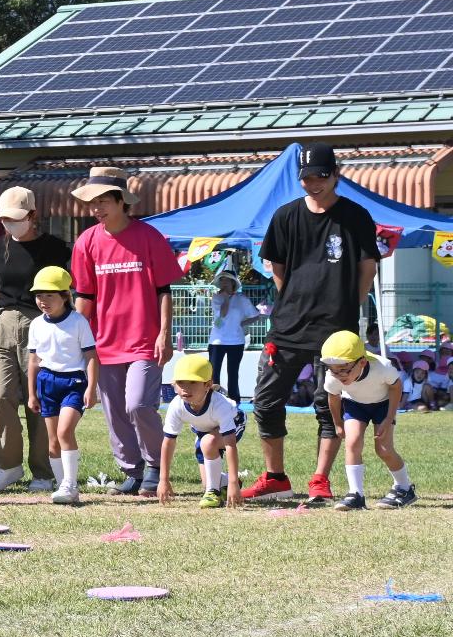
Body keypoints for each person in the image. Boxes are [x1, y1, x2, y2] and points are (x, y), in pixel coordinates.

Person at [243, 144, 381, 507]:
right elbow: (277, 268)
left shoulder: (356, 216)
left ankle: (320, 479)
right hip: (287, 326)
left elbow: (368, 266)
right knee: (266, 400)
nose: (313, 183)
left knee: (328, 404)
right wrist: (294, 300)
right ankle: (275, 479)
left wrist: (349, 304)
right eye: (306, 177)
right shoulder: (286, 216)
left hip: (337, 331)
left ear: (336, 174)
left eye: (320, 176)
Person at [70, 165, 181, 496]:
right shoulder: (86, 241)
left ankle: (156, 465)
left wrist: (164, 333)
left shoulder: (148, 237)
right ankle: (132, 472)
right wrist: (76, 337)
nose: (97, 208)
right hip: (103, 342)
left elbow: (164, 290)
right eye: (93, 202)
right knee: (115, 412)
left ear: (121, 201)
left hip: (145, 342)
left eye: (104, 200)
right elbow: (85, 296)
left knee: (137, 405)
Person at [0, 185, 67, 494]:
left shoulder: (55, 248)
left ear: (32, 215)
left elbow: (67, 291)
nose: (9, 224)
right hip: (2, 323)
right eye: (4, 219)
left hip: (40, 324)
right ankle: (7, 464)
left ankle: (43, 471)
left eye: (16, 218)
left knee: (38, 399)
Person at [25, 267, 100, 506]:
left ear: (65, 296)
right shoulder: (36, 324)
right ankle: (62, 486)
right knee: (53, 441)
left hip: (73, 383)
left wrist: (91, 387)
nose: (43, 301)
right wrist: (32, 394)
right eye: (39, 295)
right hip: (46, 383)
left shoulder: (78, 321)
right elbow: (34, 361)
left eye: (49, 295)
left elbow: (90, 356)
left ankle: (70, 484)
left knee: (64, 432)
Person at [319, 330, 416, 510]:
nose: (340, 376)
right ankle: (356, 494)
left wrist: (388, 418)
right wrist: (338, 423)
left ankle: (404, 488)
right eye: (333, 370)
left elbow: (396, 388)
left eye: (344, 370)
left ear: (362, 362)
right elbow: (333, 397)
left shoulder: (383, 367)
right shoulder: (333, 377)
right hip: (355, 405)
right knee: (352, 443)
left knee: (383, 449)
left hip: (383, 404)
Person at [156, 354, 243, 509]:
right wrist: (163, 479)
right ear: (173, 385)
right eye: (180, 382)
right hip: (204, 431)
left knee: (208, 443)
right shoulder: (176, 406)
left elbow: (230, 445)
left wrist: (233, 483)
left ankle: (215, 490)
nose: (185, 388)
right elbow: (168, 442)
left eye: (193, 382)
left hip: (235, 422)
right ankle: (219, 485)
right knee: (207, 481)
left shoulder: (219, 404)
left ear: (207, 384)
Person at [206, 270, 259, 405]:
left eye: (226, 280)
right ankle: (213, 400)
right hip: (217, 341)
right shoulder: (216, 298)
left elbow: (255, 315)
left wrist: (242, 324)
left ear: (233, 283)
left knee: (233, 372)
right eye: (222, 280)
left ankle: (235, 400)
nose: (223, 282)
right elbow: (222, 314)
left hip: (236, 341)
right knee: (214, 373)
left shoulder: (242, 299)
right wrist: (226, 298)